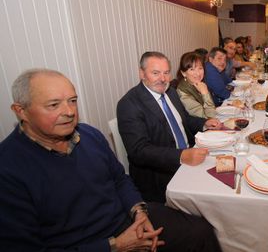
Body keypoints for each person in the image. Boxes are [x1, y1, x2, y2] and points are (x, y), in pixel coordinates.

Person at [0, 69, 221, 251]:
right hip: (87, 244)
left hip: (126, 219)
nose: (69, 111)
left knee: (202, 231)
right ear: (21, 111)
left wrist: (139, 212)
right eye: (53, 105)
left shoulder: (89, 135)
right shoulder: (8, 167)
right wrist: (115, 246)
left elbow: (119, 179)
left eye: (73, 101)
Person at [117, 52, 222, 203]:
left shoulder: (170, 92)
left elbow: (184, 120)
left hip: (190, 155)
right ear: (142, 73)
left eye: (166, 73)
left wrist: (204, 124)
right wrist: (181, 156)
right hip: (161, 174)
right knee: (213, 198)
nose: (163, 78)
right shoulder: (129, 104)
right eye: (155, 73)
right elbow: (139, 151)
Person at [176, 52, 216, 118]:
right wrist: (205, 93)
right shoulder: (183, 93)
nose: (197, 73)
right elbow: (210, 116)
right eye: (192, 69)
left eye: (200, 68)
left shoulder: (198, 83)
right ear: (183, 73)